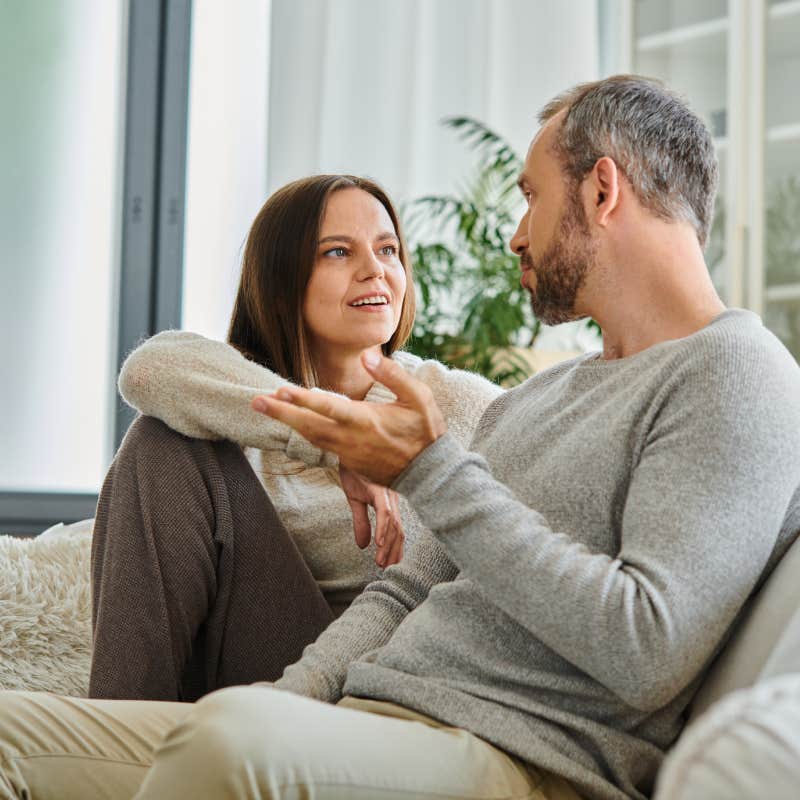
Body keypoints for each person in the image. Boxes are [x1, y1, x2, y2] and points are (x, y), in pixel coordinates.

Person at [1, 74, 799, 800]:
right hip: (374, 715)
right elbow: (406, 590)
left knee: (229, 747)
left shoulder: (735, 372)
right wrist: (293, 701)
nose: (517, 236)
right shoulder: (544, 394)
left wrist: (427, 469)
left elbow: (647, 647)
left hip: (514, 755)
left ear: (601, 190)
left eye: (530, 197)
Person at [88, 173, 501, 701]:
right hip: (255, 659)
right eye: (337, 252)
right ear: (282, 278)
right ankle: (120, 733)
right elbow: (147, 371)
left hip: (383, 675)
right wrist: (334, 443)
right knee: (159, 442)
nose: (374, 270)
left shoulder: (455, 402)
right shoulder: (237, 390)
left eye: (388, 249)